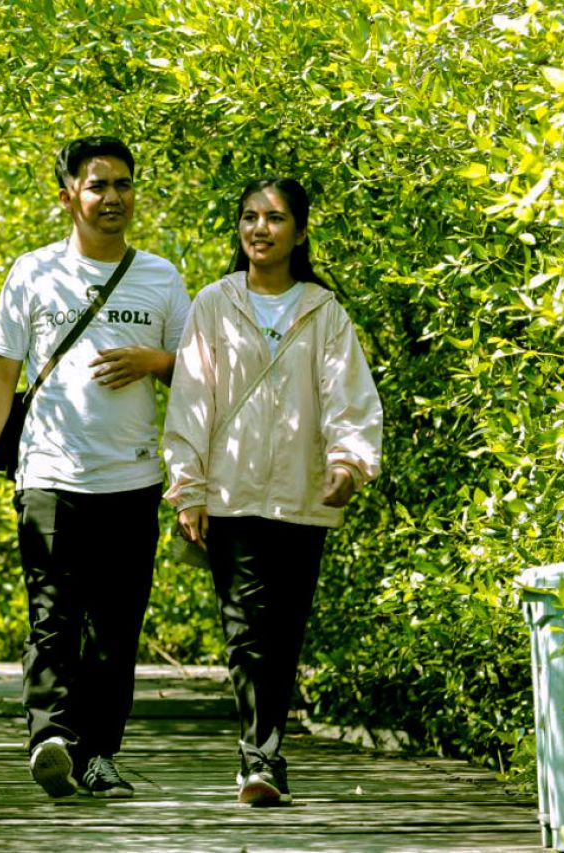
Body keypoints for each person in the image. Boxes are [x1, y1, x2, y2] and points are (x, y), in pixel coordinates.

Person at [0, 136, 191, 799]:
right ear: (68, 196)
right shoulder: (32, 273)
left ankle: (100, 755)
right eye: (97, 185)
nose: (112, 196)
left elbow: (202, 377)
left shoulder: (161, 278)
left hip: (133, 478)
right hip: (50, 476)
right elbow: (0, 376)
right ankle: (51, 737)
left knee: (116, 629)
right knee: (54, 616)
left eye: (122, 184)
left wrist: (156, 362)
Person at [161, 177, 383, 807]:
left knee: (283, 627)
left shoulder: (323, 311)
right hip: (230, 493)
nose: (260, 229)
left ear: (300, 232)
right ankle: (260, 757)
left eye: (275, 218)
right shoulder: (213, 303)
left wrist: (349, 465)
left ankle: (265, 750)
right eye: (250, 218)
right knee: (245, 626)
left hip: (301, 491)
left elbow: (350, 397)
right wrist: (189, 488)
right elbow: (190, 400)